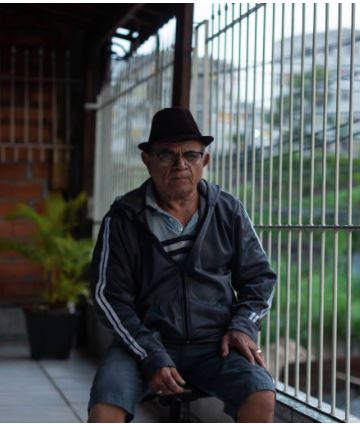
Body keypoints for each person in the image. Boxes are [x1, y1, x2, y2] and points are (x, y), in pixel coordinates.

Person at [87, 108, 277, 423]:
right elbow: (108, 297)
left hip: (215, 343)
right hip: (143, 343)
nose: (180, 165)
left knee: (260, 393)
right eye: (166, 155)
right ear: (147, 160)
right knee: (106, 407)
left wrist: (243, 325)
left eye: (191, 154)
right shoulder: (124, 218)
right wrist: (149, 353)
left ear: (205, 160)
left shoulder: (227, 210)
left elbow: (260, 278)